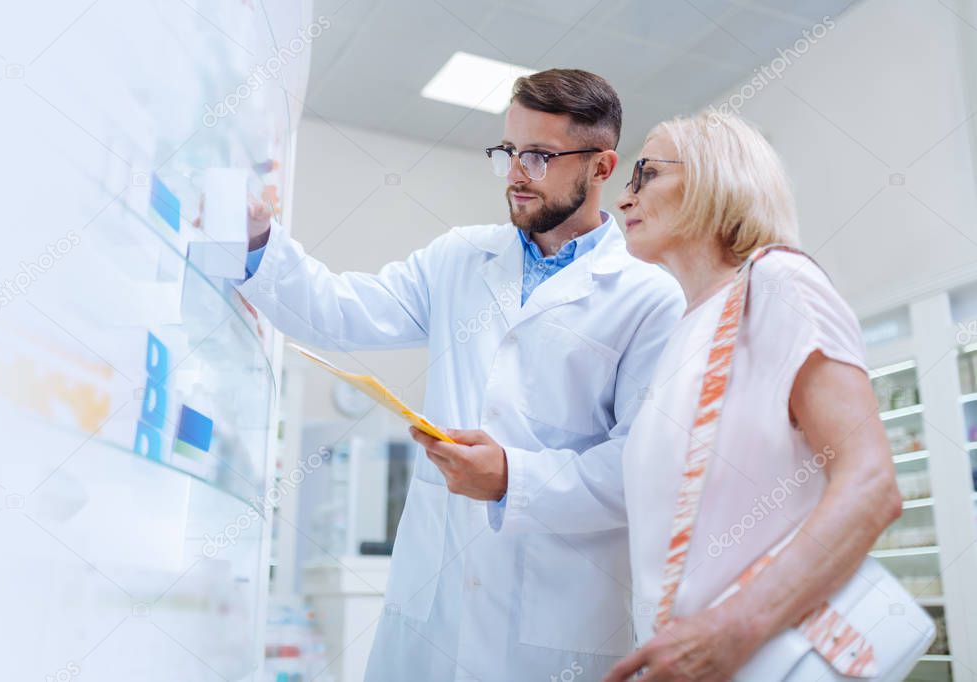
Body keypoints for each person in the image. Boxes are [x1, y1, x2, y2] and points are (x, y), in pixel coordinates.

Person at [238, 69, 685, 681]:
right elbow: (343, 312)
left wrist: (513, 478)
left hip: (558, 631)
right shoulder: (460, 257)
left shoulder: (650, 297)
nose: (517, 174)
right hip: (433, 610)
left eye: (539, 156)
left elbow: (641, 463)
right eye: (508, 152)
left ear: (603, 168)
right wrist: (257, 239)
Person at [594, 112, 902, 680]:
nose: (623, 197)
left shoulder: (780, 282)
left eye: (646, 174)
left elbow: (872, 486)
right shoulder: (684, 334)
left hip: (767, 655)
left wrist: (732, 630)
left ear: (718, 179)